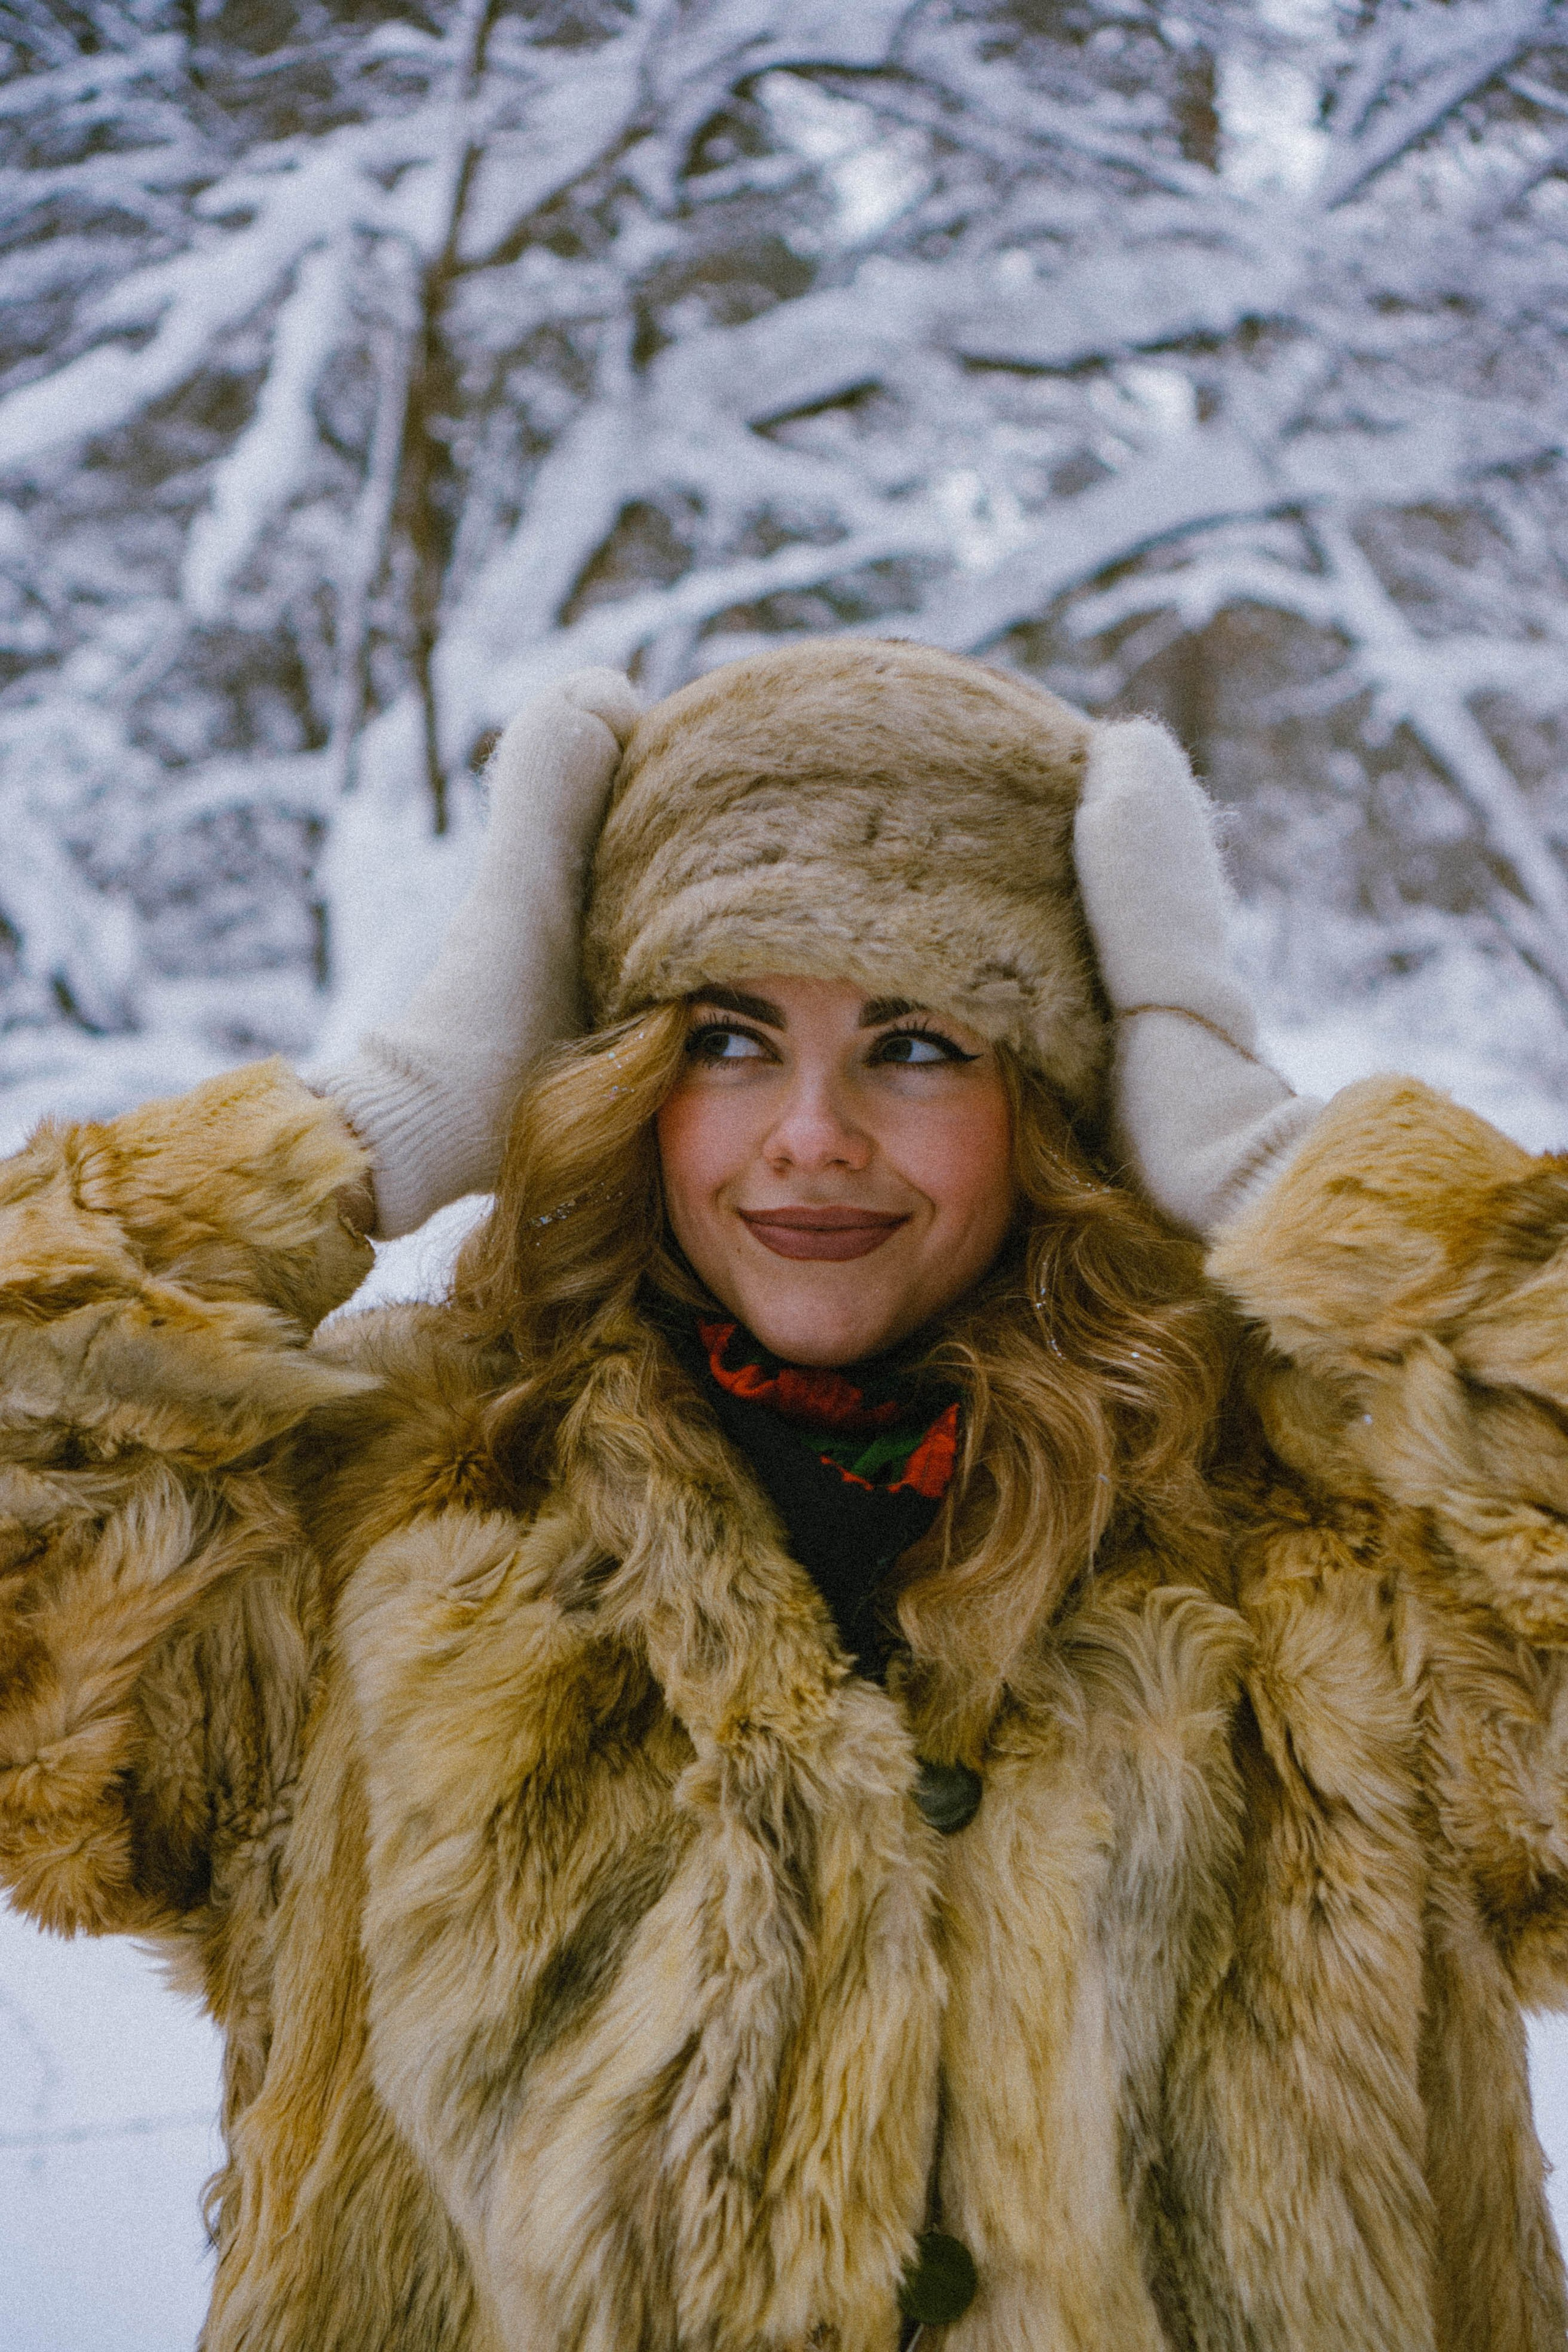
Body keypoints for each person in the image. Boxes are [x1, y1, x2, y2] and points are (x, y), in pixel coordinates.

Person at [1, 636, 1565, 2352]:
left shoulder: (1328, 1538)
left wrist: (1277, 1163)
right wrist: (385, 1117)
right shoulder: (377, 1508)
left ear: (1052, 1101)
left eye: (915, 1045)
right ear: (618, 1079)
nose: (811, 1133)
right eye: (729, 1037)